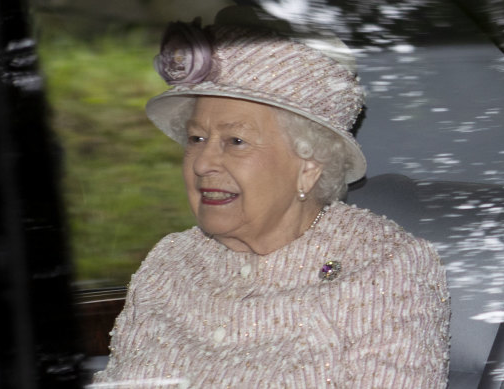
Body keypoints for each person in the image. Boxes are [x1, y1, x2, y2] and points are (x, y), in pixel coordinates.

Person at [93, 6, 450, 388]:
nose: (202, 163)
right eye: (197, 138)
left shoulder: (385, 267)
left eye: (236, 141)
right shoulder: (168, 264)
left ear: (308, 167)